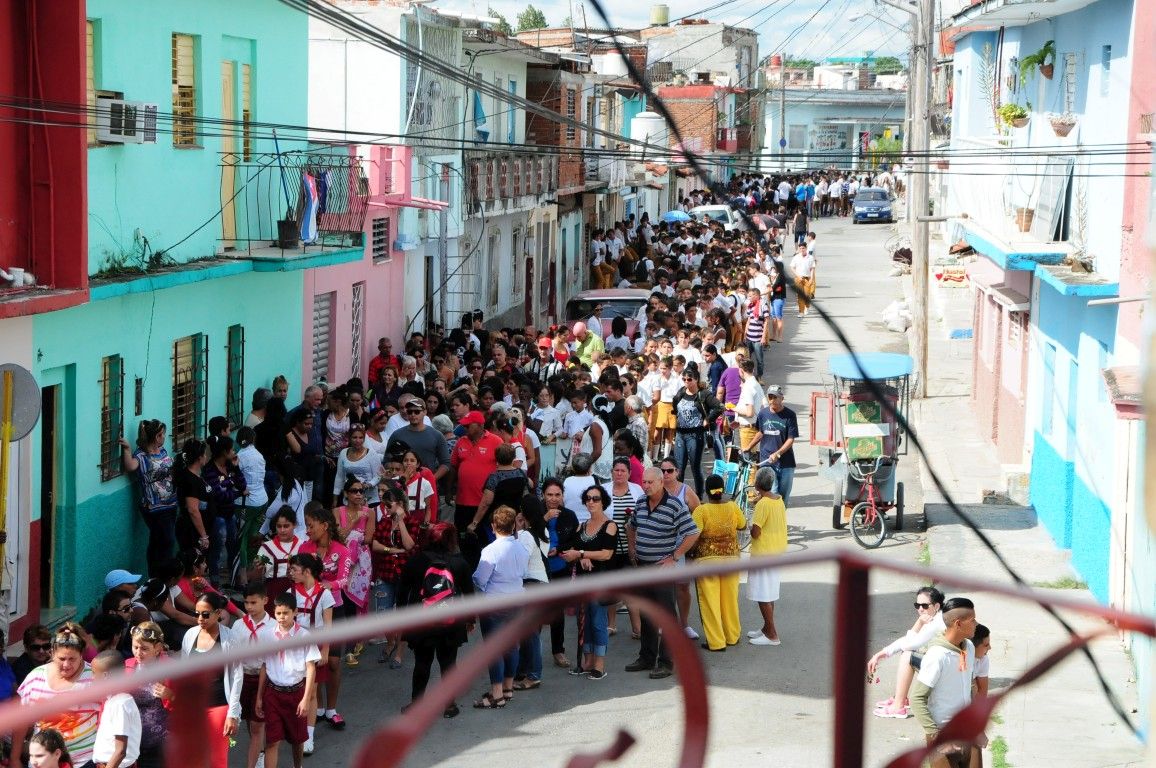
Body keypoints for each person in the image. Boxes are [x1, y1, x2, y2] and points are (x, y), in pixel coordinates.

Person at [625, 468, 700, 679]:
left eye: (650, 482)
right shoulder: (641, 502)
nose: (646, 485)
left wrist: (674, 557)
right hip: (643, 565)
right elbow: (631, 526)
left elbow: (692, 532)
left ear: (660, 482)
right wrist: (632, 549)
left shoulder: (674, 505)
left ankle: (667, 662)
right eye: (644, 482)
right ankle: (647, 657)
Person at [397, 522, 474, 718]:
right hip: (451, 622)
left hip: (422, 621)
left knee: (422, 663)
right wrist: (470, 619)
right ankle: (449, 705)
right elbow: (469, 594)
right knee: (448, 663)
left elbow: (403, 591)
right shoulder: (459, 563)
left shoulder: (416, 562)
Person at [910, 597, 983, 768]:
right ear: (958, 624)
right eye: (972, 620)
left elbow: (969, 688)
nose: (976, 624)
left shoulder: (969, 648)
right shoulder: (937, 656)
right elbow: (917, 698)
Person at [14, 624, 99, 768]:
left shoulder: (94, 678)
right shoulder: (35, 677)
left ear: (81, 655)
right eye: (61, 659)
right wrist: (14, 758)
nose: (66, 665)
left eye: (72, 659)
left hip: (84, 762)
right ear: (52, 653)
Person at [298, 504, 352, 730]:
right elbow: (298, 576)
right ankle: (317, 707)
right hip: (310, 611)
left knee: (332, 661)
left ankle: (331, 709)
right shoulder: (303, 548)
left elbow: (344, 580)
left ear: (325, 526)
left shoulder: (342, 550)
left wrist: (325, 585)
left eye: (311, 526)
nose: (307, 530)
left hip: (335, 609)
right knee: (313, 660)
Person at [471, 506, 529, 709]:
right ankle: (508, 688)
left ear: (494, 526)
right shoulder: (522, 548)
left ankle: (497, 694)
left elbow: (480, 578)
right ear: (513, 525)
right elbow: (524, 571)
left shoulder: (490, 550)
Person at [256, 592, 321, 768]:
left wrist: (306, 699)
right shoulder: (266, 636)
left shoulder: (305, 637)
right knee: (272, 741)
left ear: (295, 612)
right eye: (278, 613)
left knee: (297, 740)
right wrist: (259, 697)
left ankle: (297, 766)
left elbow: (311, 668)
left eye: (286, 613)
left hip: (296, 694)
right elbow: (264, 666)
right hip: (273, 693)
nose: (282, 617)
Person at [558, 485, 618, 679]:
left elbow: (607, 554)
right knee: (583, 622)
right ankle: (587, 661)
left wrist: (582, 553)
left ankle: (599, 664)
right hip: (583, 581)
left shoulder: (610, 525)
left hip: (600, 581)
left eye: (596, 498)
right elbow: (569, 548)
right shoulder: (581, 526)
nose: (591, 502)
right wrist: (578, 557)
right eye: (588, 499)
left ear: (603, 502)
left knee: (598, 622)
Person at [181, 593, 242, 768]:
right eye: (196, 614)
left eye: (205, 614)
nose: (200, 618)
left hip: (219, 706)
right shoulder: (190, 635)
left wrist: (233, 713)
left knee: (218, 758)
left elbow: (237, 676)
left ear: (218, 613)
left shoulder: (230, 638)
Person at [867, 586, 947, 718]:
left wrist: (919, 623)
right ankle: (900, 697)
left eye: (925, 606)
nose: (920, 609)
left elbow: (909, 644)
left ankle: (898, 706)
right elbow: (908, 641)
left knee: (907, 656)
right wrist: (881, 654)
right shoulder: (936, 617)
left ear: (936, 606)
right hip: (947, 666)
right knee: (910, 653)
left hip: (947, 670)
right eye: (917, 605)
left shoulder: (936, 623)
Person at [689, 475, 744, 652]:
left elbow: (694, 536)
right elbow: (743, 525)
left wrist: (689, 553)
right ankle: (732, 636)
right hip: (732, 560)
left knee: (710, 602)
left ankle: (716, 642)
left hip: (707, 561)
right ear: (722, 490)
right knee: (730, 600)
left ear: (706, 491)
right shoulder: (733, 507)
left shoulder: (701, 511)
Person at [287, 553, 333, 756]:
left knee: (312, 692)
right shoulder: (290, 592)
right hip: (295, 647)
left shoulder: (324, 594)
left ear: (307, 571)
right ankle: (293, 729)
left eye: (294, 569)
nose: (290, 573)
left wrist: (325, 650)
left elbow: (329, 626)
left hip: (315, 647)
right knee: (294, 690)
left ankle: (309, 735)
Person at [120, 420, 179, 568]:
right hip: (155, 507)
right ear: (157, 437)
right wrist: (127, 449)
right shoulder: (141, 455)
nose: (164, 437)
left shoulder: (163, 451)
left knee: (159, 540)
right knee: (167, 540)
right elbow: (130, 466)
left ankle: (159, 575)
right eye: (162, 434)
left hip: (171, 503)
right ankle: (161, 573)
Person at [450, 411, 502, 566]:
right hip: (463, 503)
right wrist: (449, 490)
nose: (465, 428)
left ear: (480, 425)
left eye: (468, 425)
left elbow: (504, 466)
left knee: (486, 543)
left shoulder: (496, 441)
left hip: (485, 504)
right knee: (464, 541)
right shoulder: (461, 442)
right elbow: (453, 466)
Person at [540, 478, 580, 669]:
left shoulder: (569, 516)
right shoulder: (536, 513)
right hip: (537, 571)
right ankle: (531, 655)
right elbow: (525, 536)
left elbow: (575, 540)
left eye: (557, 495)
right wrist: (544, 519)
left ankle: (558, 650)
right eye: (549, 495)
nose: (553, 499)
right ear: (543, 495)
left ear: (563, 496)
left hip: (560, 568)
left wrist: (560, 549)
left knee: (557, 612)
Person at [746, 467, 787, 646]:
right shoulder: (778, 500)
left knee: (762, 595)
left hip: (763, 553)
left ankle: (772, 634)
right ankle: (766, 627)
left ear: (757, 484)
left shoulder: (762, 504)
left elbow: (755, 533)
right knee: (769, 593)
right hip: (776, 551)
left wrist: (748, 526)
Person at [236, 582, 275, 768]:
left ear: (265, 600)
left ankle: (256, 760)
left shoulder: (274, 627)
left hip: (264, 679)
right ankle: (260, 751)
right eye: (246, 603)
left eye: (253, 602)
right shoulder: (238, 625)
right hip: (242, 678)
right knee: (249, 721)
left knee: (257, 724)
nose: (249, 607)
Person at [671, 363, 723, 498]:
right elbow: (675, 403)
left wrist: (708, 419)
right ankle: (678, 496)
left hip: (696, 435)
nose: (686, 382)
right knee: (679, 468)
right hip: (680, 434)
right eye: (684, 379)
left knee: (695, 466)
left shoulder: (703, 394)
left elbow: (719, 407)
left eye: (689, 379)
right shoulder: (682, 391)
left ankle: (699, 496)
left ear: (696, 380)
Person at [469, 443, 530, 543]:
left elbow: (486, 502)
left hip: (498, 521)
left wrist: (474, 523)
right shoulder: (520, 473)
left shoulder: (494, 478)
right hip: (516, 520)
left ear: (496, 458)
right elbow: (526, 496)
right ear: (513, 457)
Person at [750, 384, 799, 507]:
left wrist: (778, 453)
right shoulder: (763, 414)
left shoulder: (790, 415)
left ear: (782, 398)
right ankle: (771, 524)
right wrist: (748, 447)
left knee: (783, 499)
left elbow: (790, 439)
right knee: (773, 495)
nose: (772, 400)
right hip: (767, 461)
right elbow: (761, 432)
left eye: (775, 397)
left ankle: (780, 523)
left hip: (786, 463)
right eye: (770, 397)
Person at [333, 478, 373, 629]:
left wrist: (354, 542)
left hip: (361, 560)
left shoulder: (369, 513)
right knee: (342, 594)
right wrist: (353, 522)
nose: (358, 494)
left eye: (361, 491)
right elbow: (338, 537)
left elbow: (368, 539)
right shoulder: (337, 512)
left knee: (359, 595)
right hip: (341, 558)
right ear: (346, 493)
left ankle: (358, 635)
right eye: (354, 491)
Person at [91, 649, 141, 768]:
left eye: (93, 673)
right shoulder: (112, 700)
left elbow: (120, 752)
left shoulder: (121, 703)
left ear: (105, 676)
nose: (92, 678)